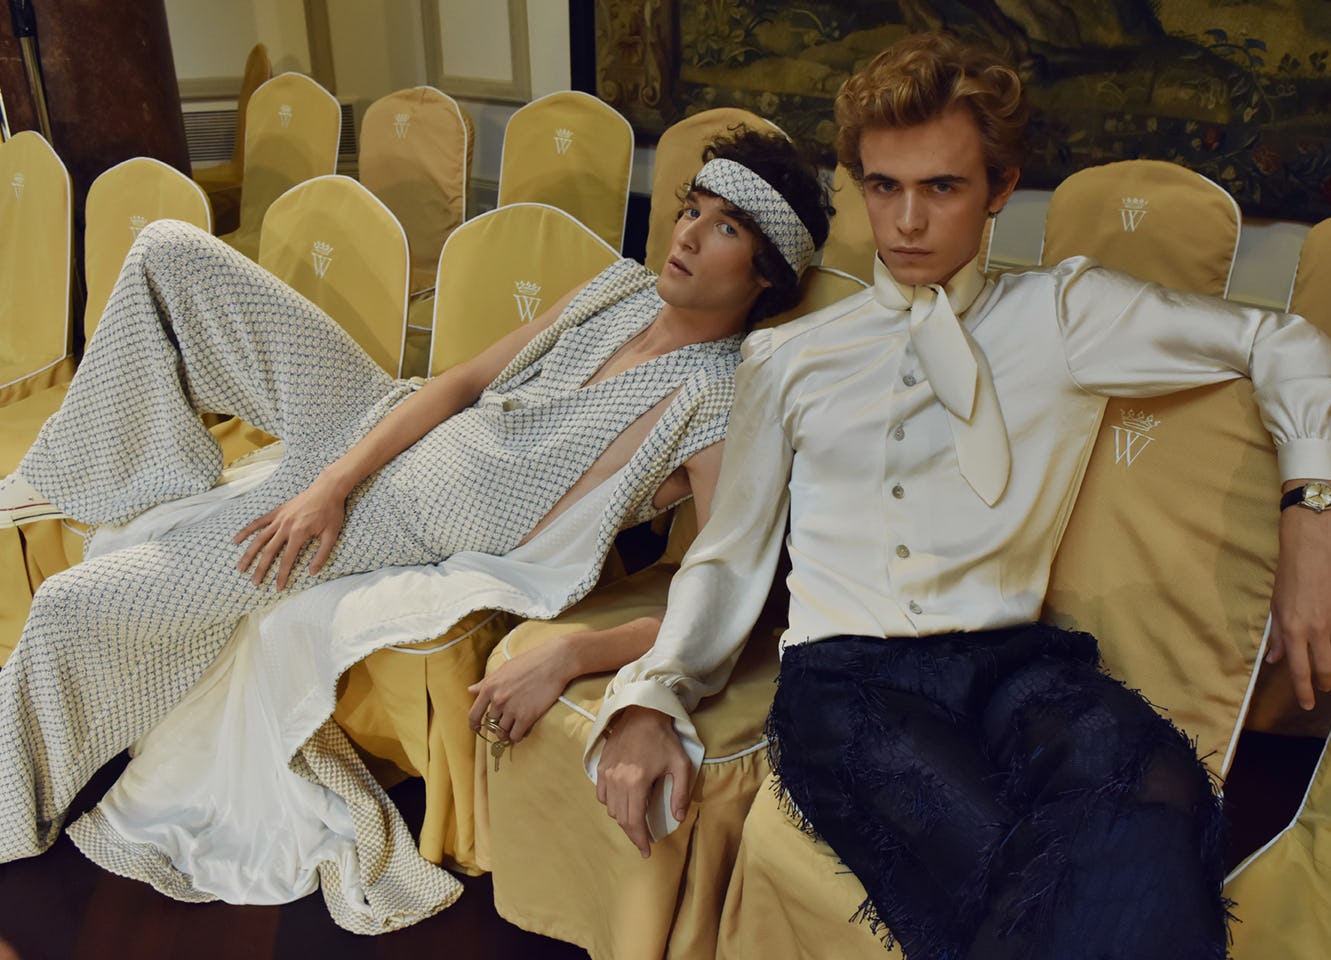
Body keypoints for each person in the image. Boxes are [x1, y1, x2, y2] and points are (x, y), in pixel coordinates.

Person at [586, 32, 1331, 959]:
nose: (906, 222)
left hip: (1020, 665)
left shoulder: (1065, 314)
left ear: (997, 188)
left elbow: (1283, 342)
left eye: (941, 187)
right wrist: (651, 694)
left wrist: (1311, 513)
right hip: (848, 684)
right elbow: (727, 555)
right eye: (883, 186)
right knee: (989, 850)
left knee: (1157, 792)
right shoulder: (787, 358)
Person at [0, 127, 831, 883]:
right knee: (168, 251)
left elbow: (721, 590)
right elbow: (463, 381)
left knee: (76, 603)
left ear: (765, 276)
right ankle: (126, 478)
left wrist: (576, 654)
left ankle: (8, 807)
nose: (685, 233)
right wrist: (328, 483)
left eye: (724, 228)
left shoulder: (717, 400)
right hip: (373, 420)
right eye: (692, 208)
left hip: (399, 521)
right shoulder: (619, 289)